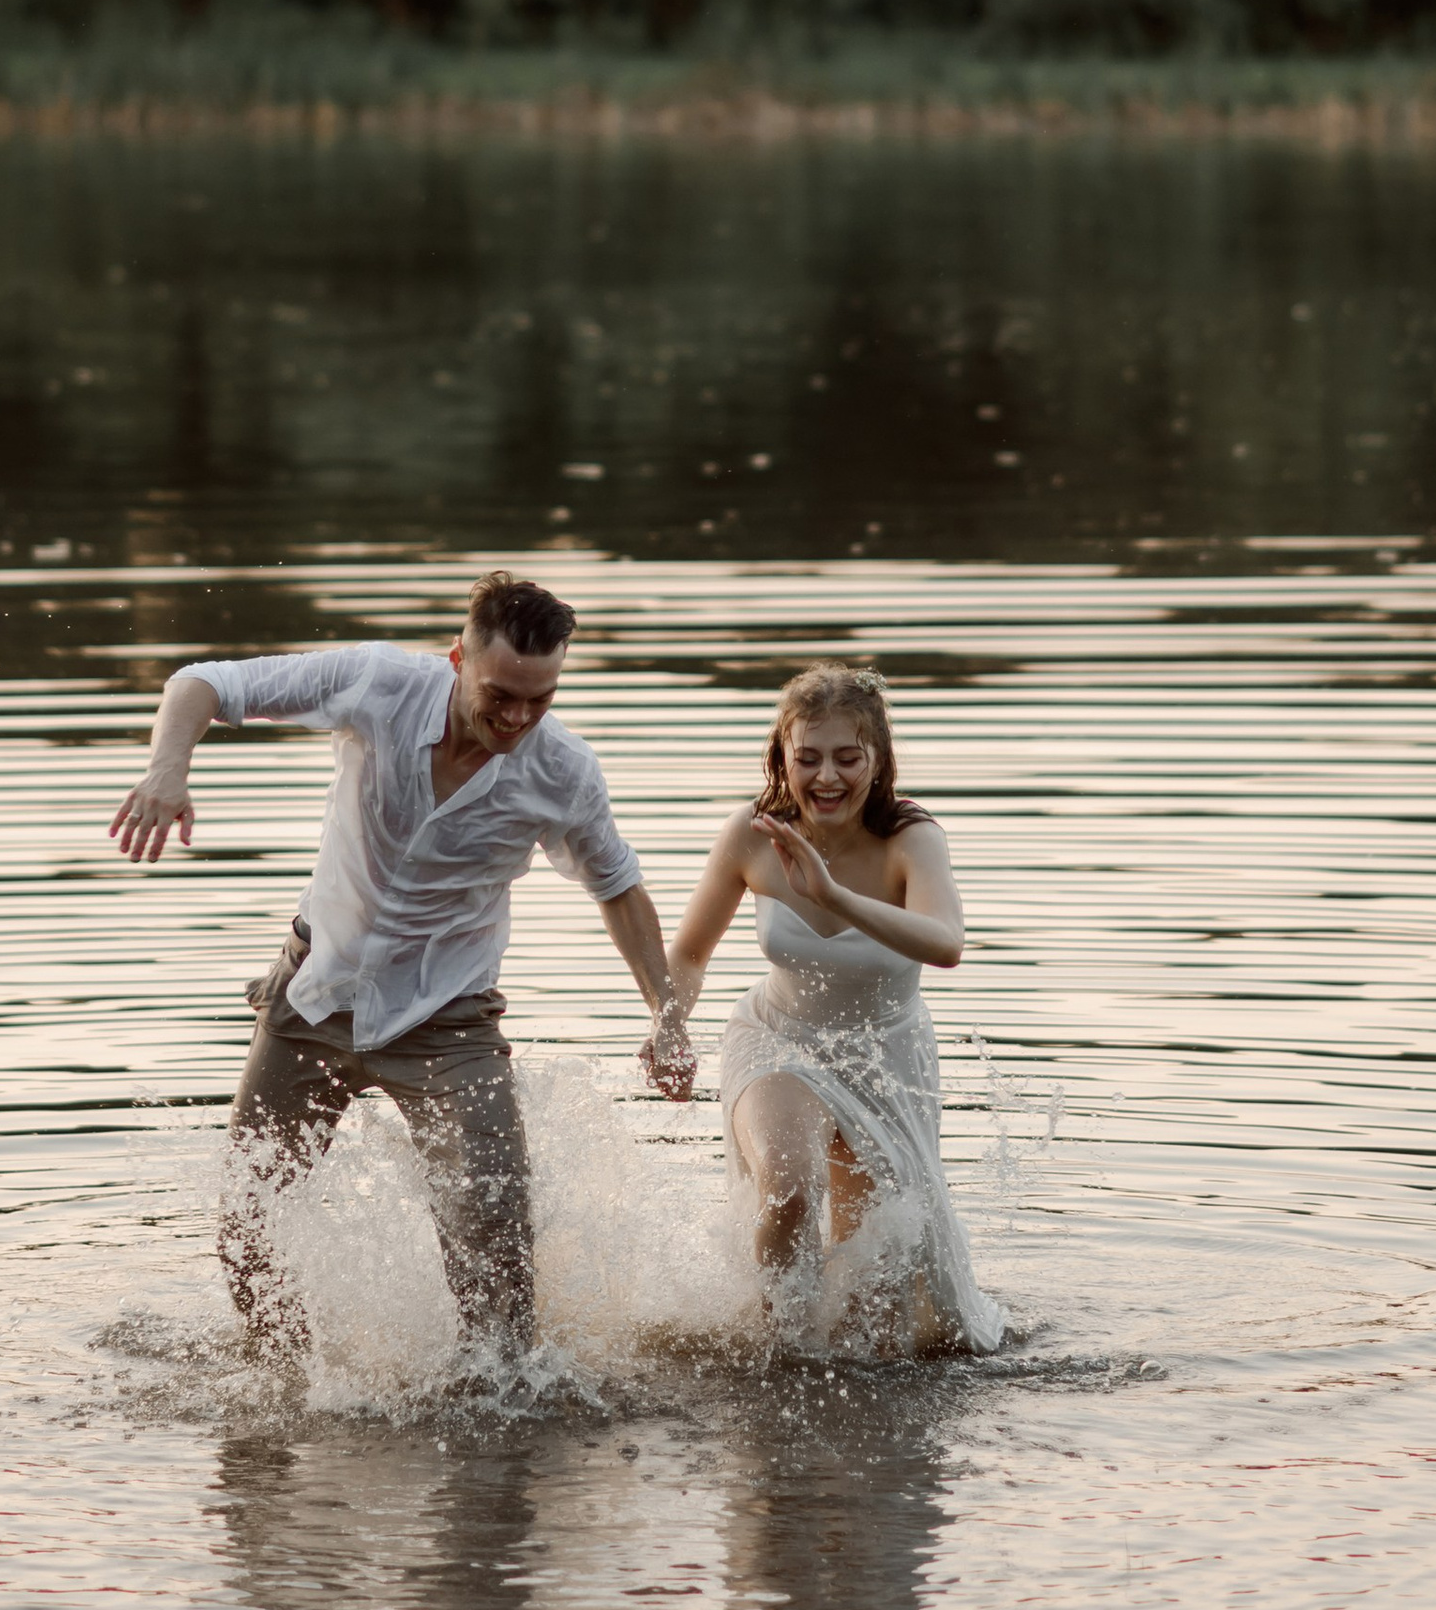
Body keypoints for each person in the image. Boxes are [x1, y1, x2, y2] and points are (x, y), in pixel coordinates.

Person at [109, 571, 690, 1351]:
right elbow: (202, 683)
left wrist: (667, 1017)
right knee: (252, 1221)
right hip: (314, 996)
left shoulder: (564, 773)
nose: (518, 717)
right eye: (500, 695)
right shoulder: (379, 683)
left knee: (495, 1232)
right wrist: (166, 769)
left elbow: (618, 887)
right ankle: (284, 1386)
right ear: (458, 658)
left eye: (540, 699)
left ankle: (498, 1405)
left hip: (449, 1019)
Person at [655, 660, 1004, 1354]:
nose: (827, 778)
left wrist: (833, 894)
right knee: (789, 1189)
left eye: (847, 758)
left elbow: (947, 944)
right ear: (781, 756)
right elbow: (689, 955)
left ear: (877, 759)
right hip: (777, 1037)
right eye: (807, 758)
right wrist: (668, 1026)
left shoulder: (912, 839)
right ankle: (775, 1357)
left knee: (873, 1309)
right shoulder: (752, 835)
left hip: (886, 1056)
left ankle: (835, 1388)